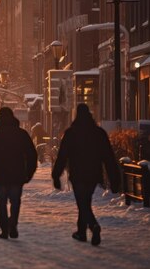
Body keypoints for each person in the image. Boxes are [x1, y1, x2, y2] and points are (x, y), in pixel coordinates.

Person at [52, 104, 120, 246]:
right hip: (93, 174)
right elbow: (108, 157)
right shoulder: (99, 133)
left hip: (77, 174)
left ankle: (93, 226)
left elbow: (62, 156)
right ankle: (81, 232)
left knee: (82, 203)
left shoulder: (71, 133)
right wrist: (114, 179)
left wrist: (56, 174)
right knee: (85, 201)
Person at [0, 107, 37, 239]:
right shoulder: (21, 134)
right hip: (17, 173)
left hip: (0, 173)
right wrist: (29, 172)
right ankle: (13, 224)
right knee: (15, 201)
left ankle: (4, 229)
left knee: (2, 202)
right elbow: (31, 154)